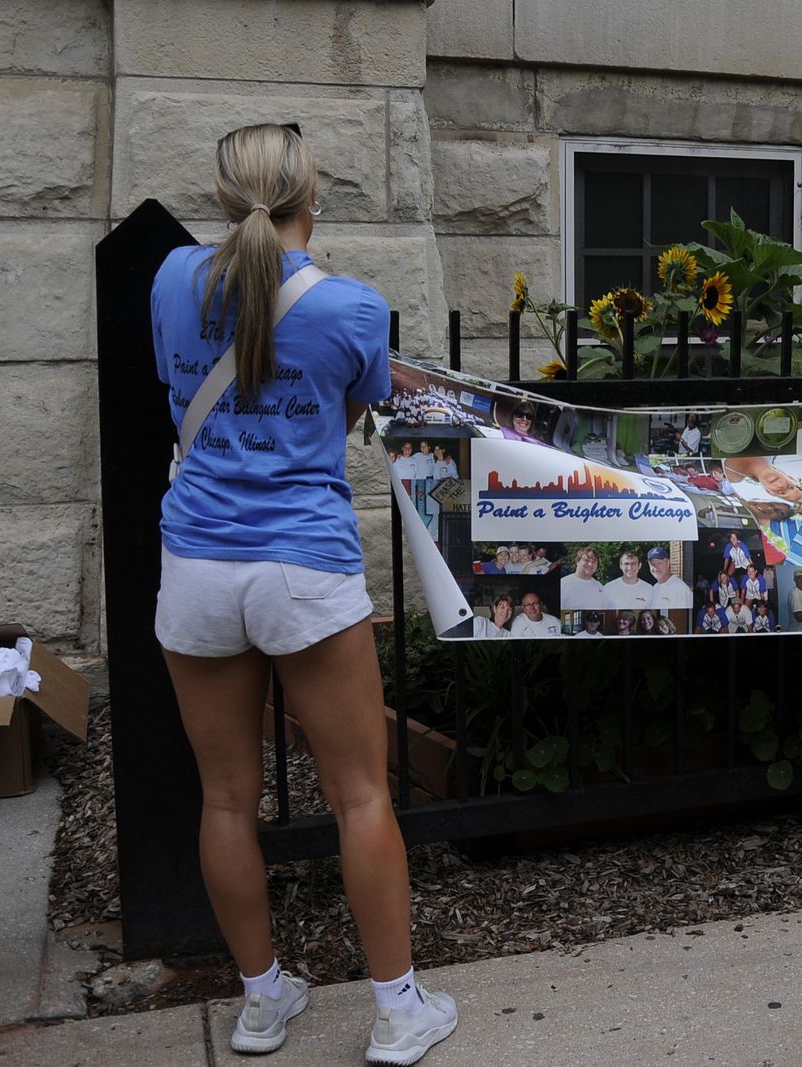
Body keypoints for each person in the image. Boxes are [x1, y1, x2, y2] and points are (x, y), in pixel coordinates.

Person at [149, 124, 457, 1059]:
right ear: (307, 200)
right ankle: (399, 1012)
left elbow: (172, 383)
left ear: (220, 197)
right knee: (362, 795)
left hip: (196, 563)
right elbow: (351, 409)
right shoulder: (353, 309)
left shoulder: (165, 278)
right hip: (303, 566)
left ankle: (259, 1000)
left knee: (226, 801)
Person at [645, 546, 692, 611]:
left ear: (668, 563)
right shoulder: (655, 587)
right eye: (652, 564)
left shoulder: (680, 589)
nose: (656, 568)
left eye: (659, 563)